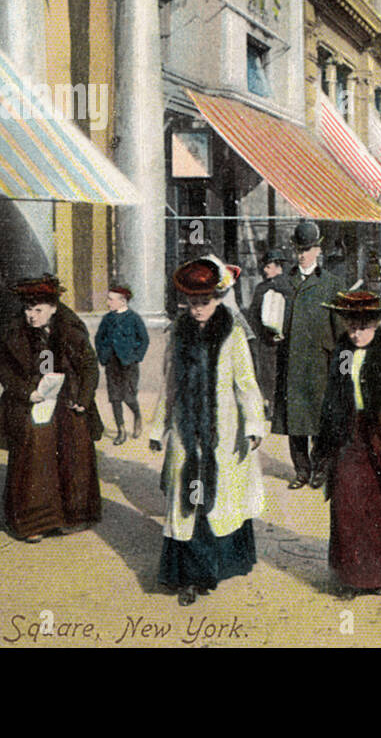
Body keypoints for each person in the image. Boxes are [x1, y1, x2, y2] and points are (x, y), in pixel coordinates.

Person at [149, 256, 265, 606]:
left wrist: (253, 424)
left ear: (217, 299)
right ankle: (188, 578)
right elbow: (169, 385)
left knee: (218, 502)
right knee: (188, 503)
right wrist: (159, 428)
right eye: (192, 303)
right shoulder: (179, 334)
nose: (198, 310)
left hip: (223, 432)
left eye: (205, 302)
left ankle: (212, 570)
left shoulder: (231, 334)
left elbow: (245, 383)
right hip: (186, 435)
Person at [317, 291, 381, 596]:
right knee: (347, 502)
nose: (356, 333)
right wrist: (324, 442)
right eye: (351, 327)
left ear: (375, 324)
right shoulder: (344, 353)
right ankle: (352, 578)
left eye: (363, 327)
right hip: (350, 436)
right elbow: (333, 397)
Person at [0, 274, 103, 543]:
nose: (31, 315)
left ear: (53, 307)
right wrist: (27, 392)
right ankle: (33, 523)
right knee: (35, 457)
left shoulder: (71, 329)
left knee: (74, 454)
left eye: (38, 309)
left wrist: (83, 400)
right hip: (32, 401)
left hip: (68, 400)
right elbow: (2, 368)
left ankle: (73, 516)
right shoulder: (14, 331)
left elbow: (89, 366)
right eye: (28, 309)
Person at [274, 221, 343, 490]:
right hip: (291, 363)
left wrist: (341, 367)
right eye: (299, 249)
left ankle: (321, 470)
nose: (302, 254)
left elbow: (342, 333)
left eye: (308, 249)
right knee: (295, 422)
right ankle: (301, 471)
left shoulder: (330, 285)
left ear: (318, 249)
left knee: (320, 422)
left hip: (320, 364)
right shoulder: (283, 283)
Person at [94, 282, 149, 445]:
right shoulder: (107, 319)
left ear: (123, 301)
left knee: (128, 396)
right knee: (115, 398)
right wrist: (103, 356)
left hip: (128, 364)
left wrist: (136, 357)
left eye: (111, 299)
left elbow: (144, 339)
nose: (108, 302)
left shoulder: (133, 318)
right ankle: (121, 430)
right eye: (108, 299)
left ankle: (137, 416)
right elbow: (99, 339)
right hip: (112, 363)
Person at [246, 249, 287, 418]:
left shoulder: (265, 288)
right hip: (268, 341)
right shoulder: (289, 286)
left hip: (271, 341)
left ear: (278, 267)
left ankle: (273, 406)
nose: (265, 270)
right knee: (269, 374)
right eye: (265, 266)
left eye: (268, 266)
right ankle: (272, 406)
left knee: (271, 374)